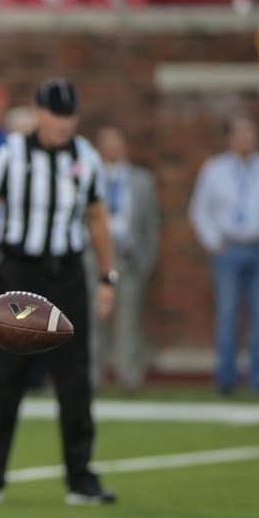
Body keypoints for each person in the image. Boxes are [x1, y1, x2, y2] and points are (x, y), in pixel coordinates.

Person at [0, 77, 118, 506]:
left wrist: (107, 277)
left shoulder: (85, 156)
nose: (63, 123)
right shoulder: (10, 153)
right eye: (55, 114)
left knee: (75, 377)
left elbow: (98, 218)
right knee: (6, 375)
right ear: (38, 112)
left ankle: (81, 477)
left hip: (67, 272)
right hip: (20, 271)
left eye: (69, 115)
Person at [189, 116, 259, 396]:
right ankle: (226, 378)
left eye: (250, 134)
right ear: (230, 139)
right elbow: (200, 209)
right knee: (227, 315)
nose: (245, 139)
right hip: (229, 248)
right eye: (240, 134)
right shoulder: (214, 169)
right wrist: (214, 242)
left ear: (257, 138)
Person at [85, 125, 159, 394]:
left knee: (129, 319)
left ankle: (129, 376)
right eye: (106, 143)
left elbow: (150, 224)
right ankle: (92, 375)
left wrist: (146, 259)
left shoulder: (142, 180)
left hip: (128, 257)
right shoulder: (88, 178)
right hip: (95, 256)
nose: (112, 148)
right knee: (93, 319)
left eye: (116, 142)